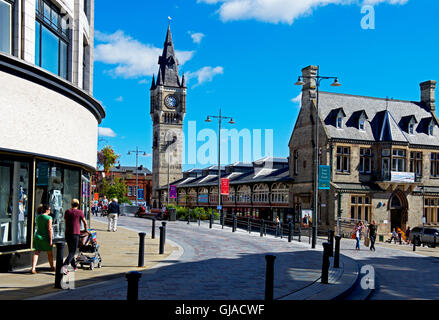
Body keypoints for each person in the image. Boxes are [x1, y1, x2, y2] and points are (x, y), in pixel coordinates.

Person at [61, 199, 88, 275]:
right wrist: (86, 229)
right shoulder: (80, 212)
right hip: (75, 233)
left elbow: (65, 221)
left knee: (71, 250)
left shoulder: (67, 212)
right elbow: (85, 222)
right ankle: (64, 266)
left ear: (71, 204)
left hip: (67, 233)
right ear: (78, 204)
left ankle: (74, 266)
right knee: (73, 251)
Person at [31, 205, 54, 274]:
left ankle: (33, 268)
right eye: (49, 209)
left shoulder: (38, 217)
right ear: (46, 210)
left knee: (36, 252)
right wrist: (51, 239)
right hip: (45, 237)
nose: (50, 211)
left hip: (37, 236)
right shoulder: (49, 217)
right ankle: (52, 267)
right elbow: (49, 229)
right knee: (49, 253)